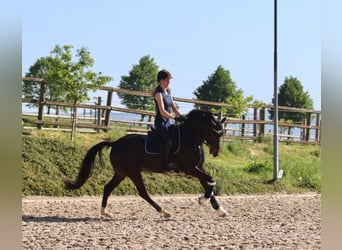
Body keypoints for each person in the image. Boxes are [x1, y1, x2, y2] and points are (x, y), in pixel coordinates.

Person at [153, 69, 184, 172]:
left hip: (168, 122)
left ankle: (175, 163)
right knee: (169, 142)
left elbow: (174, 108)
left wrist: (183, 117)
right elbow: (162, 112)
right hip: (160, 123)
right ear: (161, 80)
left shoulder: (169, 92)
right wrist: (175, 118)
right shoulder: (158, 94)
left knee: (177, 140)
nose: (169, 82)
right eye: (167, 80)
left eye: (169, 80)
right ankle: (165, 164)